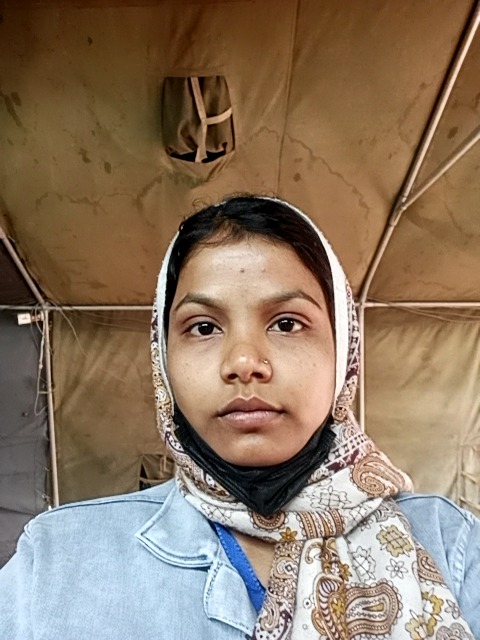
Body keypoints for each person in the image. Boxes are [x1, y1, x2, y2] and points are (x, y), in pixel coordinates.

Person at [1, 195, 479, 639]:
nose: (244, 362)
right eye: (203, 327)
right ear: (163, 357)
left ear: (343, 350)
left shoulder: (451, 545)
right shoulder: (58, 562)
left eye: (286, 323)